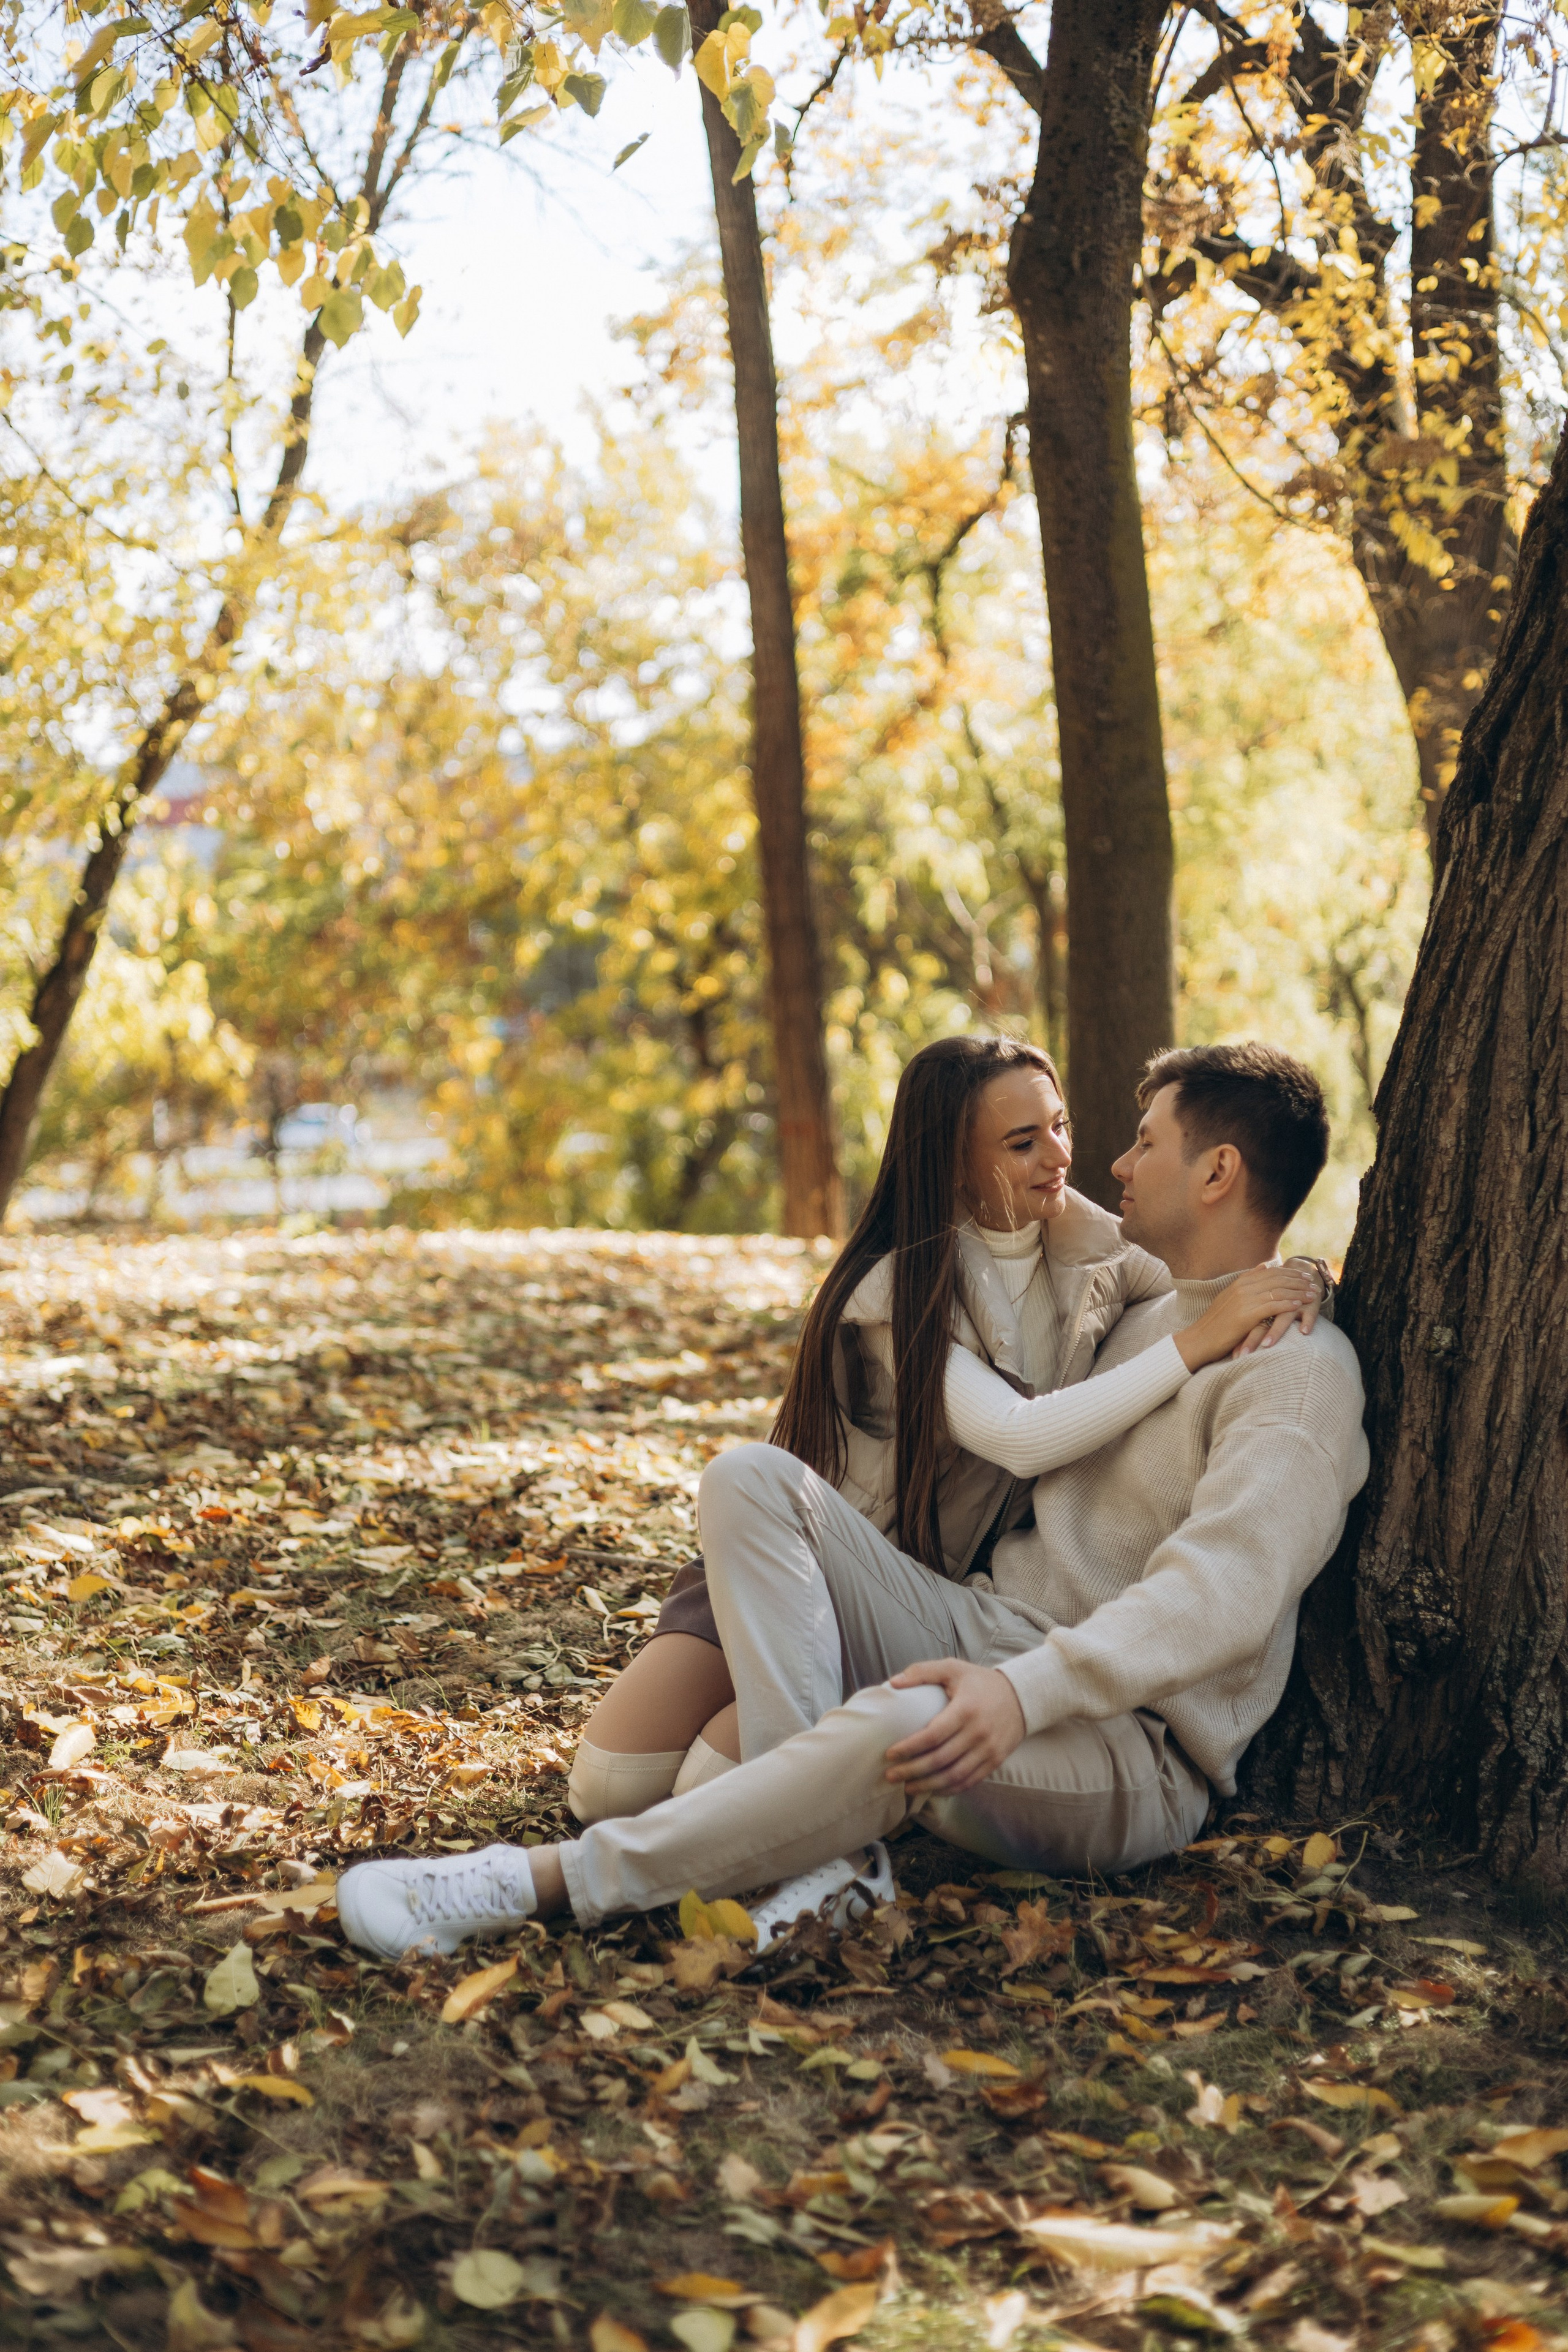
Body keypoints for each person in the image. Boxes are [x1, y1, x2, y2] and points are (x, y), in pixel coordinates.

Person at [336, 1042, 1367, 1962]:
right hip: (980, 1626)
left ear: (1218, 1172)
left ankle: (531, 1885)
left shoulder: (1296, 1376)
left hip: (1128, 1740)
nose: (1111, 1163)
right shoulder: (1143, 1303)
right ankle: (822, 1864)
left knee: (890, 1732)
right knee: (747, 1478)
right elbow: (1036, 1415)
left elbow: (1221, 1594)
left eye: (1145, 1143)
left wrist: (1023, 1692)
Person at [562, 1035, 1327, 1826]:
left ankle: (801, 1812)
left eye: (1059, 1126)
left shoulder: (1103, 1250)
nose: (1060, 1156)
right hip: (805, 1561)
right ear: (954, 1163)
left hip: (933, 1600)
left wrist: (1304, 1276)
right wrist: (1196, 1344)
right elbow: (1019, 1436)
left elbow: (1221, 1267)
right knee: (608, 1790)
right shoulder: (901, 1286)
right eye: (1022, 1143)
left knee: (707, 1787)